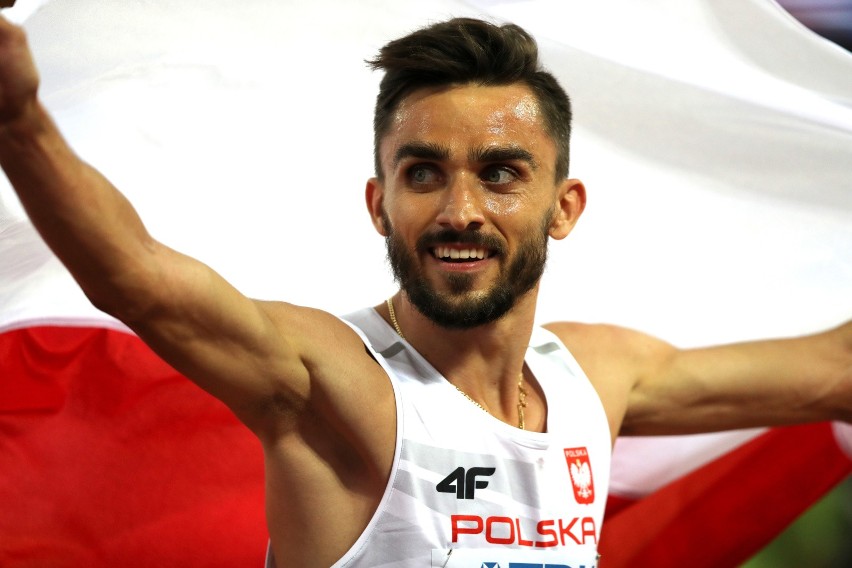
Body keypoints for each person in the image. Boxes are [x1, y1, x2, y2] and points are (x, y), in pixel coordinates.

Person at [0, 13, 850, 568]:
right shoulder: (334, 381)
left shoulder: (599, 379)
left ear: (565, 207)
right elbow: (139, 279)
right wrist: (20, 123)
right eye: (423, 173)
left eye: (502, 174)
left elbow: (833, 369)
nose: (460, 210)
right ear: (380, 204)